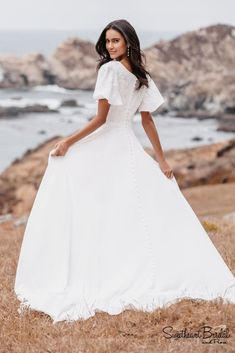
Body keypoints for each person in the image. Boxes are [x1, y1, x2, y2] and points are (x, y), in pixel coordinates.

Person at [14, 19, 235, 324]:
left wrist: (68, 141)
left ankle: (100, 270)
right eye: (107, 42)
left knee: (96, 200)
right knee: (124, 211)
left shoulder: (113, 72)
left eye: (115, 40)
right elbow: (144, 122)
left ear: (129, 41)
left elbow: (105, 120)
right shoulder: (138, 75)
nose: (110, 46)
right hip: (127, 146)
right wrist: (158, 159)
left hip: (111, 144)